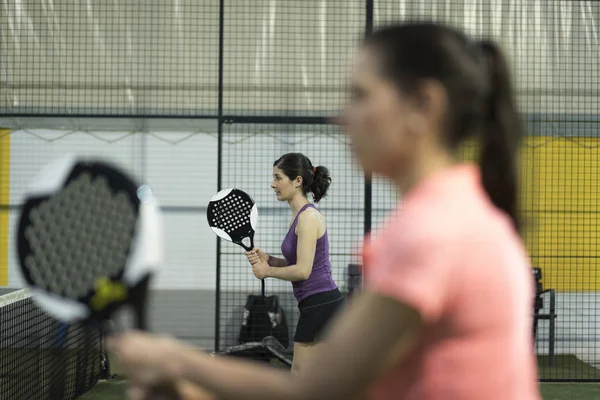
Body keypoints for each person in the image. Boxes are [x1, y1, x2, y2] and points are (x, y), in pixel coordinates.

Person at [107, 22, 541, 400]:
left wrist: (176, 360)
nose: (342, 116)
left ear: (423, 105)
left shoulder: (429, 233)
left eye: (360, 94)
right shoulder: (464, 212)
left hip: (318, 305)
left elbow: (313, 391)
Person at [245, 152, 343, 374]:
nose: (273, 184)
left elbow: (302, 270)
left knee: (300, 376)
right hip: (317, 304)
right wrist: (270, 260)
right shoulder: (299, 215)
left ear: (297, 181)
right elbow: (297, 262)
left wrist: (267, 270)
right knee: (317, 379)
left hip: (321, 305)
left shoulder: (308, 218)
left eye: (278, 178)